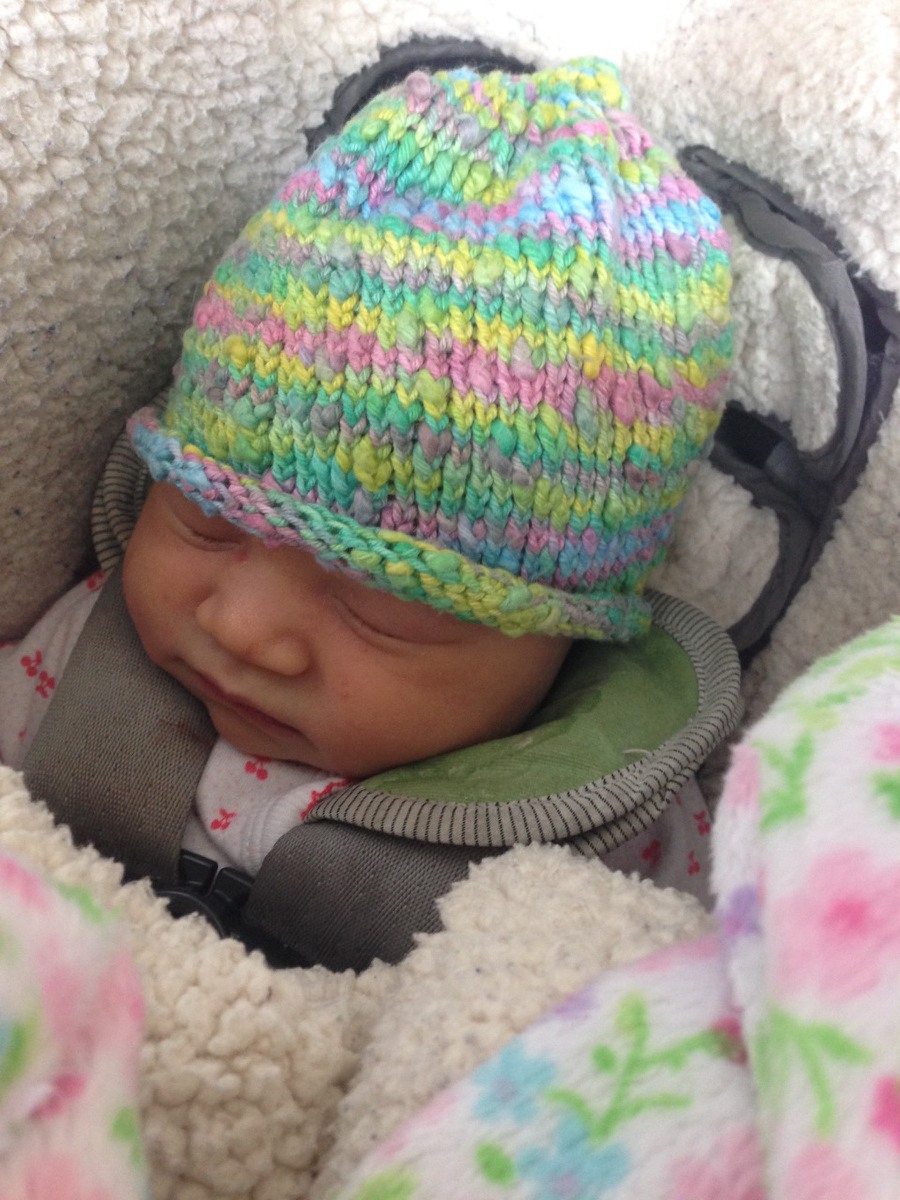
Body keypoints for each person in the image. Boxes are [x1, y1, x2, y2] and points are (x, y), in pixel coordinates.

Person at [0, 58, 736, 968]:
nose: (240, 626)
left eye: (381, 606)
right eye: (205, 523)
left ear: (563, 636)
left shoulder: (611, 833)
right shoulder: (81, 657)